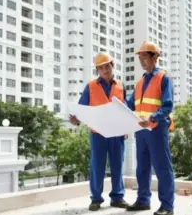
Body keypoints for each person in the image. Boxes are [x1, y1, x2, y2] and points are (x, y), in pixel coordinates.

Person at [69, 53, 128, 211]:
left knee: (117, 165)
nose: (105, 70)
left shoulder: (121, 86)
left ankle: (117, 197)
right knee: (97, 166)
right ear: (97, 70)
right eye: (101, 68)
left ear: (112, 66)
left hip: (117, 133)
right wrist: (76, 119)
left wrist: (126, 128)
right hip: (98, 134)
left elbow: (126, 110)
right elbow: (82, 109)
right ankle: (96, 199)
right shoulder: (91, 86)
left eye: (107, 66)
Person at [125, 40, 175, 215]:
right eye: (140, 57)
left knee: (162, 167)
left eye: (144, 57)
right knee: (142, 167)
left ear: (154, 57)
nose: (141, 61)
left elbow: (168, 106)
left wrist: (152, 117)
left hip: (156, 128)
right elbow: (130, 104)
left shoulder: (163, 78)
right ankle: (143, 200)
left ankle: (167, 206)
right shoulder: (140, 82)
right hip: (141, 130)